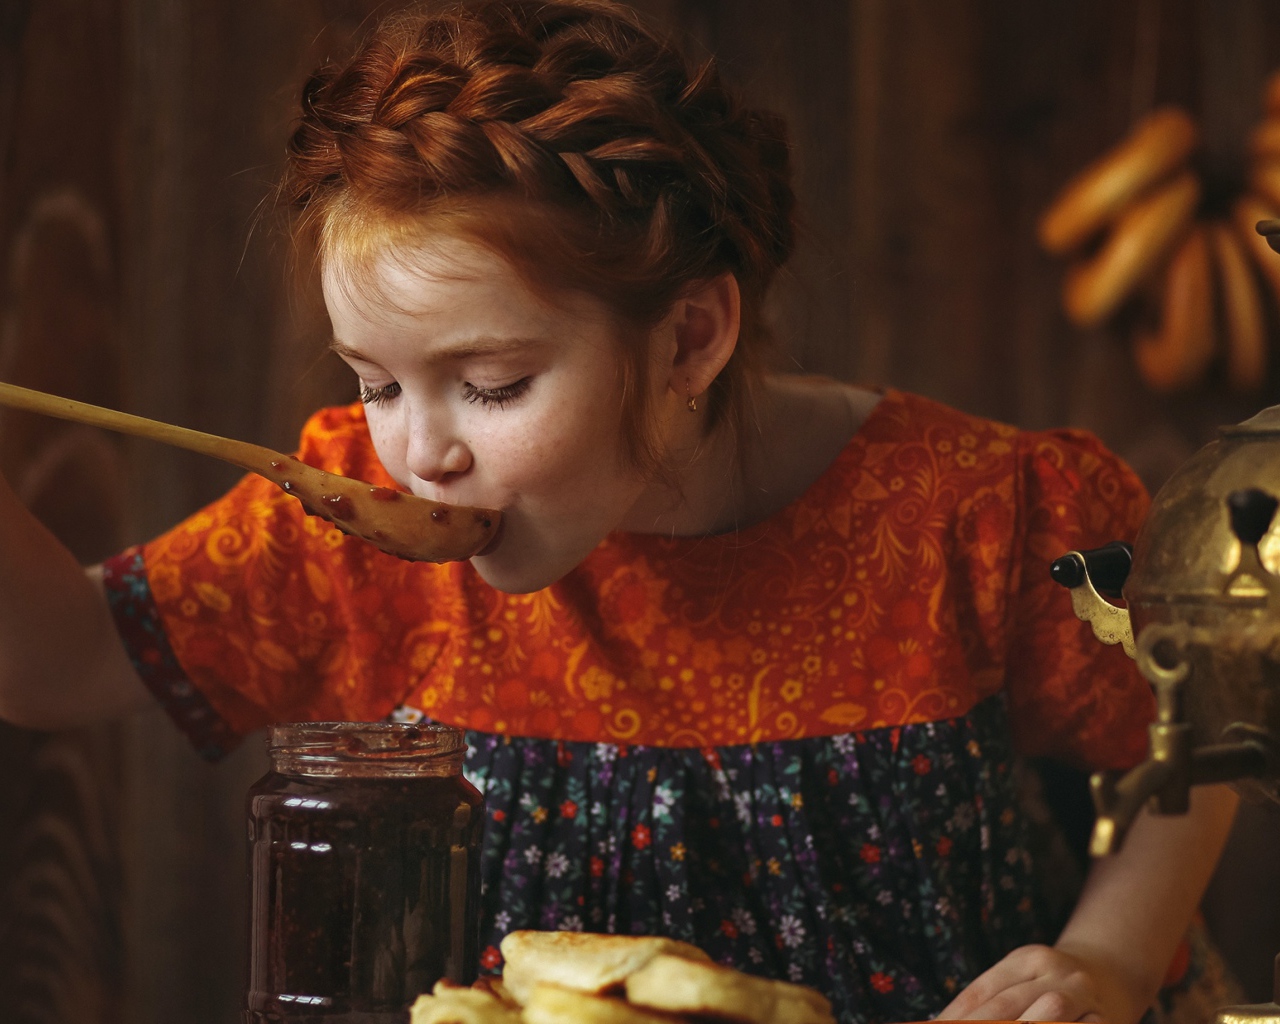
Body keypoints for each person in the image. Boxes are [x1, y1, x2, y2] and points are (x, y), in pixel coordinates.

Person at [0, 1, 1239, 1022]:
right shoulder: (351, 516)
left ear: (690, 334)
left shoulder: (980, 517)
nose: (419, 451)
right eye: (374, 382)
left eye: (490, 385)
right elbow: (53, 661)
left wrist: (1107, 962)